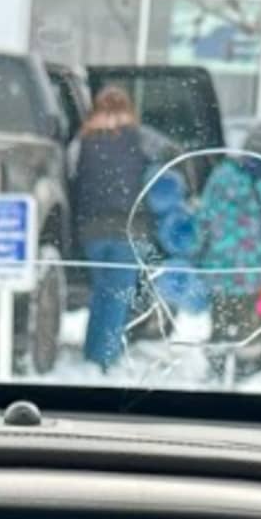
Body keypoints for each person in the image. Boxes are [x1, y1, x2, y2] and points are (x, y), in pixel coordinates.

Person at [193, 128, 261, 382]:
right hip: (251, 270)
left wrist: (197, 255)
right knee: (249, 329)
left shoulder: (221, 174)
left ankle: (214, 375)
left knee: (219, 323)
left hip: (218, 267)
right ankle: (245, 378)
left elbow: (204, 217)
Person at [69, 85, 154, 371]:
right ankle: (106, 357)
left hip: (92, 229)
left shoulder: (82, 139)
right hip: (127, 228)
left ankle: (93, 351)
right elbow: (166, 163)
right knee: (118, 295)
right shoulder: (141, 138)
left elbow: (71, 175)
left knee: (100, 292)